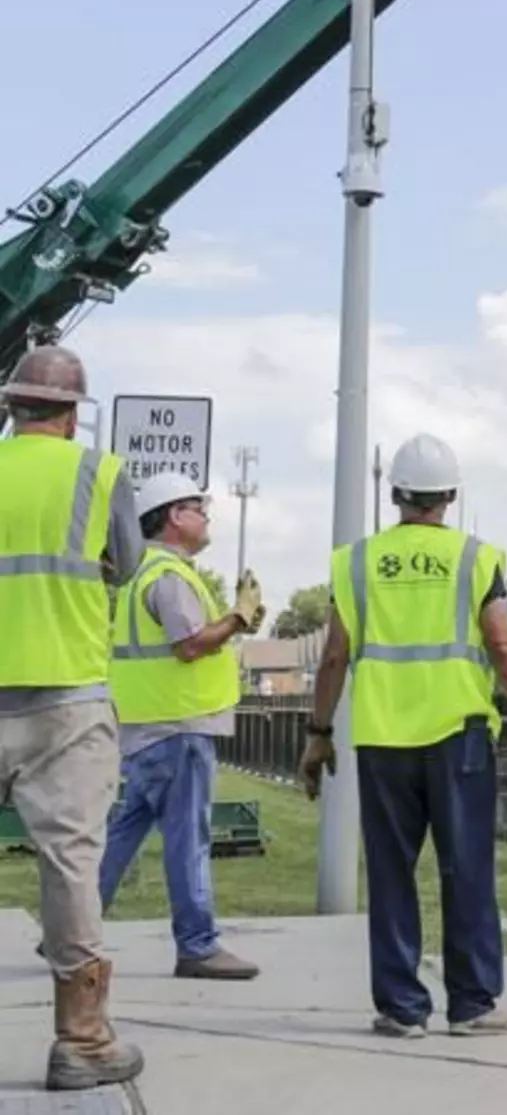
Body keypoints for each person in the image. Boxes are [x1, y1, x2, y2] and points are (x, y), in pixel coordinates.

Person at [298, 433, 507, 1039]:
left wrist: (318, 734)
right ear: (450, 496)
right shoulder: (475, 558)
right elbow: (502, 647)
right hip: (458, 739)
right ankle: (471, 1006)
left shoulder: (355, 562)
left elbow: (334, 656)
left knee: (391, 873)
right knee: (466, 870)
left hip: (384, 740)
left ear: (395, 496)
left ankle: (401, 1009)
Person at [0, 345, 145, 1092]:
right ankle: (82, 1040)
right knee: (69, 863)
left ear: (12, 406)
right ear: (70, 413)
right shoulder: (100, 473)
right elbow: (126, 560)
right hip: (66, 695)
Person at [101, 467, 265, 980]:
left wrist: (234, 620)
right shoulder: (170, 577)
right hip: (179, 731)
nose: (205, 517)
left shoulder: (140, 574)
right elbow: (190, 644)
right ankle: (197, 945)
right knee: (188, 839)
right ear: (175, 516)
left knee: (122, 834)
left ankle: (69, 928)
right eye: (199, 509)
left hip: (148, 727)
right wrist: (238, 617)